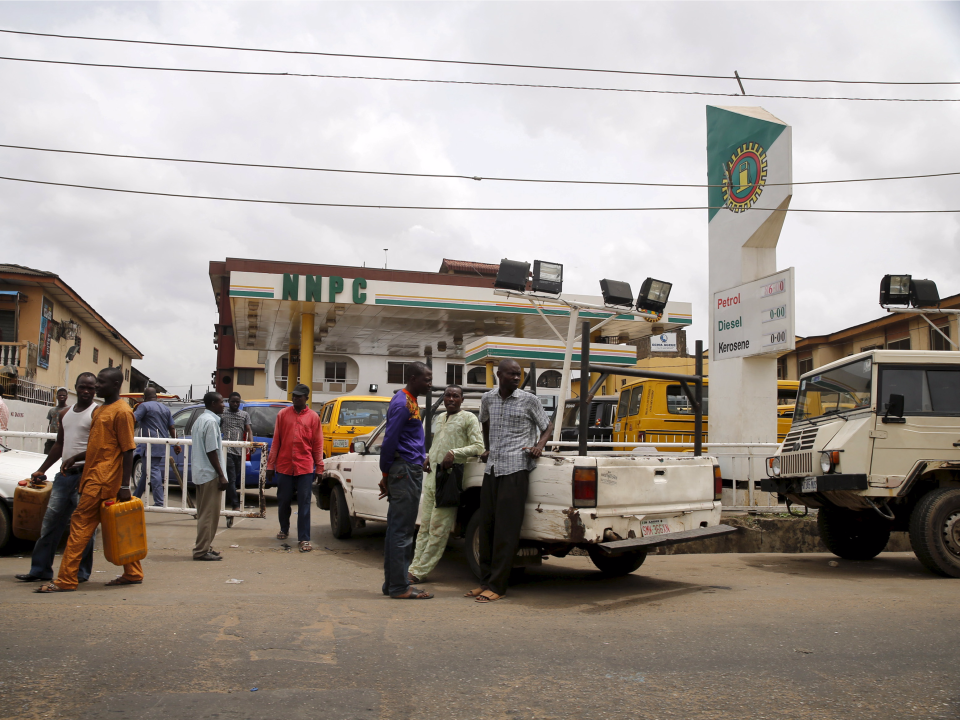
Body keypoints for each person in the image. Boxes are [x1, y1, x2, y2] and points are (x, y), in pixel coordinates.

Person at [36, 367, 143, 593]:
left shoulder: (122, 412)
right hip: (94, 475)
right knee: (117, 524)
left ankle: (66, 579)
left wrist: (125, 486)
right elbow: (100, 445)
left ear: (115, 385)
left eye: (101, 383)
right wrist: (76, 457)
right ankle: (133, 572)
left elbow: (127, 450)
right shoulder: (101, 410)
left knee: (80, 524)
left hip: (103, 480)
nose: (96, 387)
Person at [467, 359, 553, 604]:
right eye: (512, 374)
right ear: (499, 374)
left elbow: (547, 426)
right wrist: (487, 447)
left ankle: (498, 586)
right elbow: (484, 421)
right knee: (487, 527)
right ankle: (484, 582)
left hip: (516, 469)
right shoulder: (488, 398)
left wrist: (539, 446)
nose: (516, 378)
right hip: (493, 468)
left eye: (519, 375)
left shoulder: (529, 400)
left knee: (506, 530)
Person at [15, 373, 98, 583]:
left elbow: (100, 447)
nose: (86, 391)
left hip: (86, 477)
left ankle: (80, 573)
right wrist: (41, 469)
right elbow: (59, 445)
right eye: (82, 387)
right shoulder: (65, 413)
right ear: (75, 388)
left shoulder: (97, 413)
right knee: (50, 524)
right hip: (64, 476)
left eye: (90, 387)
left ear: (95, 389)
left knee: (84, 528)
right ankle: (40, 570)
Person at [407, 385, 483, 583]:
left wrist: (454, 453)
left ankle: (420, 571)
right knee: (424, 527)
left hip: (450, 480)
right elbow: (437, 444)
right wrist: (429, 457)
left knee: (439, 528)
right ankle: (413, 566)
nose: (451, 399)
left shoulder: (469, 418)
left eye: (455, 396)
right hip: (433, 478)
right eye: (448, 395)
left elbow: (478, 447)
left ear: (462, 400)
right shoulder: (440, 417)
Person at [378, 362, 433, 599]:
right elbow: (389, 440)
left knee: (396, 530)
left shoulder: (409, 399)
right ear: (413, 378)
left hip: (407, 467)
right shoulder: (402, 403)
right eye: (426, 379)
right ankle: (400, 587)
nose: (430, 384)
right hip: (405, 471)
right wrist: (386, 473)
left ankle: (393, 584)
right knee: (402, 531)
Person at [266, 384, 323, 553]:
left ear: (306, 398)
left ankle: (304, 538)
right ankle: (284, 528)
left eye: (299, 396)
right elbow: (276, 440)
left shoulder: (313, 417)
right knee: (283, 501)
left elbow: (318, 445)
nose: (295, 398)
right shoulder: (283, 415)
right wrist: (270, 465)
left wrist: (319, 467)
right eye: (294, 396)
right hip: (284, 466)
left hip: (305, 467)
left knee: (304, 503)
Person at [191, 392, 229, 562]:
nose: (224, 405)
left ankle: (205, 546)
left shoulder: (200, 419)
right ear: (213, 403)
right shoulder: (211, 422)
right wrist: (221, 475)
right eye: (221, 402)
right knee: (209, 515)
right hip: (209, 474)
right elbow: (211, 450)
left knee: (204, 513)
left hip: (201, 472)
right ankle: (201, 550)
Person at [132, 387, 180, 507]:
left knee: (153, 470)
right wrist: (176, 444)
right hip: (161, 442)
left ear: (144, 397)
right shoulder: (165, 408)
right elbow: (172, 427)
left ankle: (159, 501)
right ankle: (136, 497)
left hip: (150, 443)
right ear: (156, 397)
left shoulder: (144, 406)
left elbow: (133, 419)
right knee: (145, 471)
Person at [220, 391, 253, 511]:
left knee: (234, 477)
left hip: (239, 450)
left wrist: (251, 444)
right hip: (226, 449)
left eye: (237, 402)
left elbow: (248, 430)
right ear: (228, 402)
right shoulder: (222, 413)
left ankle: (228, 498)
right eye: (233, 401)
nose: (235, 404)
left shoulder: (244, 414)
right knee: (231, 477)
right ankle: (235, 504)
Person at [43, 387, 68, 454]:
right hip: (51, 438)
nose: (62, 396)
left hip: (63, 438)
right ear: (57, 397)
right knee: (46, 455)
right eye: (60, 395)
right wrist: (47, 435)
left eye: (63, 395)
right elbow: (49, 423)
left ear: (66, 397)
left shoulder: (69, 410)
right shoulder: (52, 410)